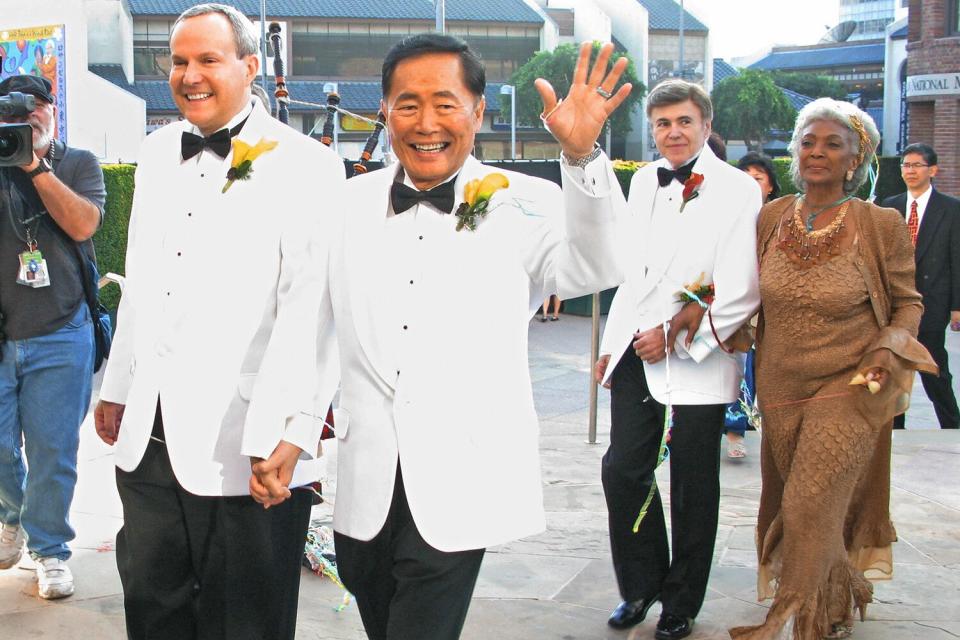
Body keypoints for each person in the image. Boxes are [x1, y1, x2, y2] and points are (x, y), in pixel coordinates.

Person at [250, 33, 628, 640]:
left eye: (446, 103)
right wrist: (290, 434)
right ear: (383, 111)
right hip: (366, 482)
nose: (426, 123)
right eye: (407, 103)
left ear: (478, 111)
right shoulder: (341, 206)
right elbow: (309, 330)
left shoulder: (525, 203)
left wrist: (583, 161)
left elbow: (597, 268)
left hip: (462, 473)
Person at [93, 4, 344, 639]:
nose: (190, 75)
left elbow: (312, 309)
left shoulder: (307, 164)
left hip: (245, 438)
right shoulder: (154, 154)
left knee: (246, 619)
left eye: (208, 59)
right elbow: (142, 282)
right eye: (179, 61)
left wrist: (295, 430)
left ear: (250, 66)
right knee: (153, 605)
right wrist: (117, 386)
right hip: (148, 438)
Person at [729, 99, 936, 640]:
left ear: (855, 160)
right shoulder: (770, 218)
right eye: (808, 142)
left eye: (832, 144)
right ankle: (839, 594)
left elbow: (909, 302)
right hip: (780, 383)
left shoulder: (880, 223)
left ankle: (798, 621)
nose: (817, 151)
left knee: (805, 504)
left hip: (851, 383)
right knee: (818, 504)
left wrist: (888, 351)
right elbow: (741, 290)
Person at [594, 79, 761, 639]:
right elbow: (629, 275)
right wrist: (611, 346)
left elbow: (741, 288)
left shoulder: (739, 190)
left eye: (684, 121)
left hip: (698, 359)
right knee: (623, 470)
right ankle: (640, 586)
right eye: (663, 123)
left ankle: (681, 603)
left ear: (706, 126)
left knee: (693, 486)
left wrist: (675, 335)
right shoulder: (642, 181)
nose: (672, 132)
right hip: (635, 352)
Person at [0, 74, 105, 600]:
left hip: (60, 331)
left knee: (52, 451)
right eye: (10, 109)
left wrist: (33, 165)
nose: (24, 117)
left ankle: (50, 549)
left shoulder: (77, 162)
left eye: (34, 107)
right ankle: (13, 517)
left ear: (52, 111)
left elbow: (85, 225)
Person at [882, 143, 960, 430]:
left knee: (934, 368)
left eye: (916, 165)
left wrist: (956, 307)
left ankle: (952, 426)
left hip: (932, 303)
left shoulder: (951, 209)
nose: (910, 171)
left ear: (933, 170)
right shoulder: (888, 206)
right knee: (895, 368)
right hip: (894, 304)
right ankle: (894, 427)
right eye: (905, 165)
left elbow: (957, 258)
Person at [722, 153, 781, 459]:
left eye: (757, 178)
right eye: (744, 176)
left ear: (771, 185)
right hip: (734, 306)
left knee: (761, 374)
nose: (750, 183)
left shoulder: (783, 217)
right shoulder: (727, 215)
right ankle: (734, 431)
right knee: (739, 369)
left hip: (771, 308)